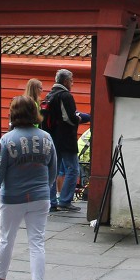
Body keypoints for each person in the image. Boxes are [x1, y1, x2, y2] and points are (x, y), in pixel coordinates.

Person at [0, 91, 55, 280]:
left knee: (7, 238)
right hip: (40, 197)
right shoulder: (47, 138)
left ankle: (1, 278)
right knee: (37, 242)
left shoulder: (7, 140)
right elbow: (53, 169)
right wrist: (45, 189)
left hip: (13, 197)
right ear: (35, 112)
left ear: (13, 114)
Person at [43, 68, 81, 213]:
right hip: (66, 138)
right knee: (73, 169)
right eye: (71, 80)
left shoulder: (50, 95)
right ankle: (65, 200)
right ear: (65, 81)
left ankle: (51, 202)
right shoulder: (65, 96)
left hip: (52, 138)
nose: (72, 83)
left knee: (54, 170)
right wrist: (78, 118)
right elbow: (69, 118)